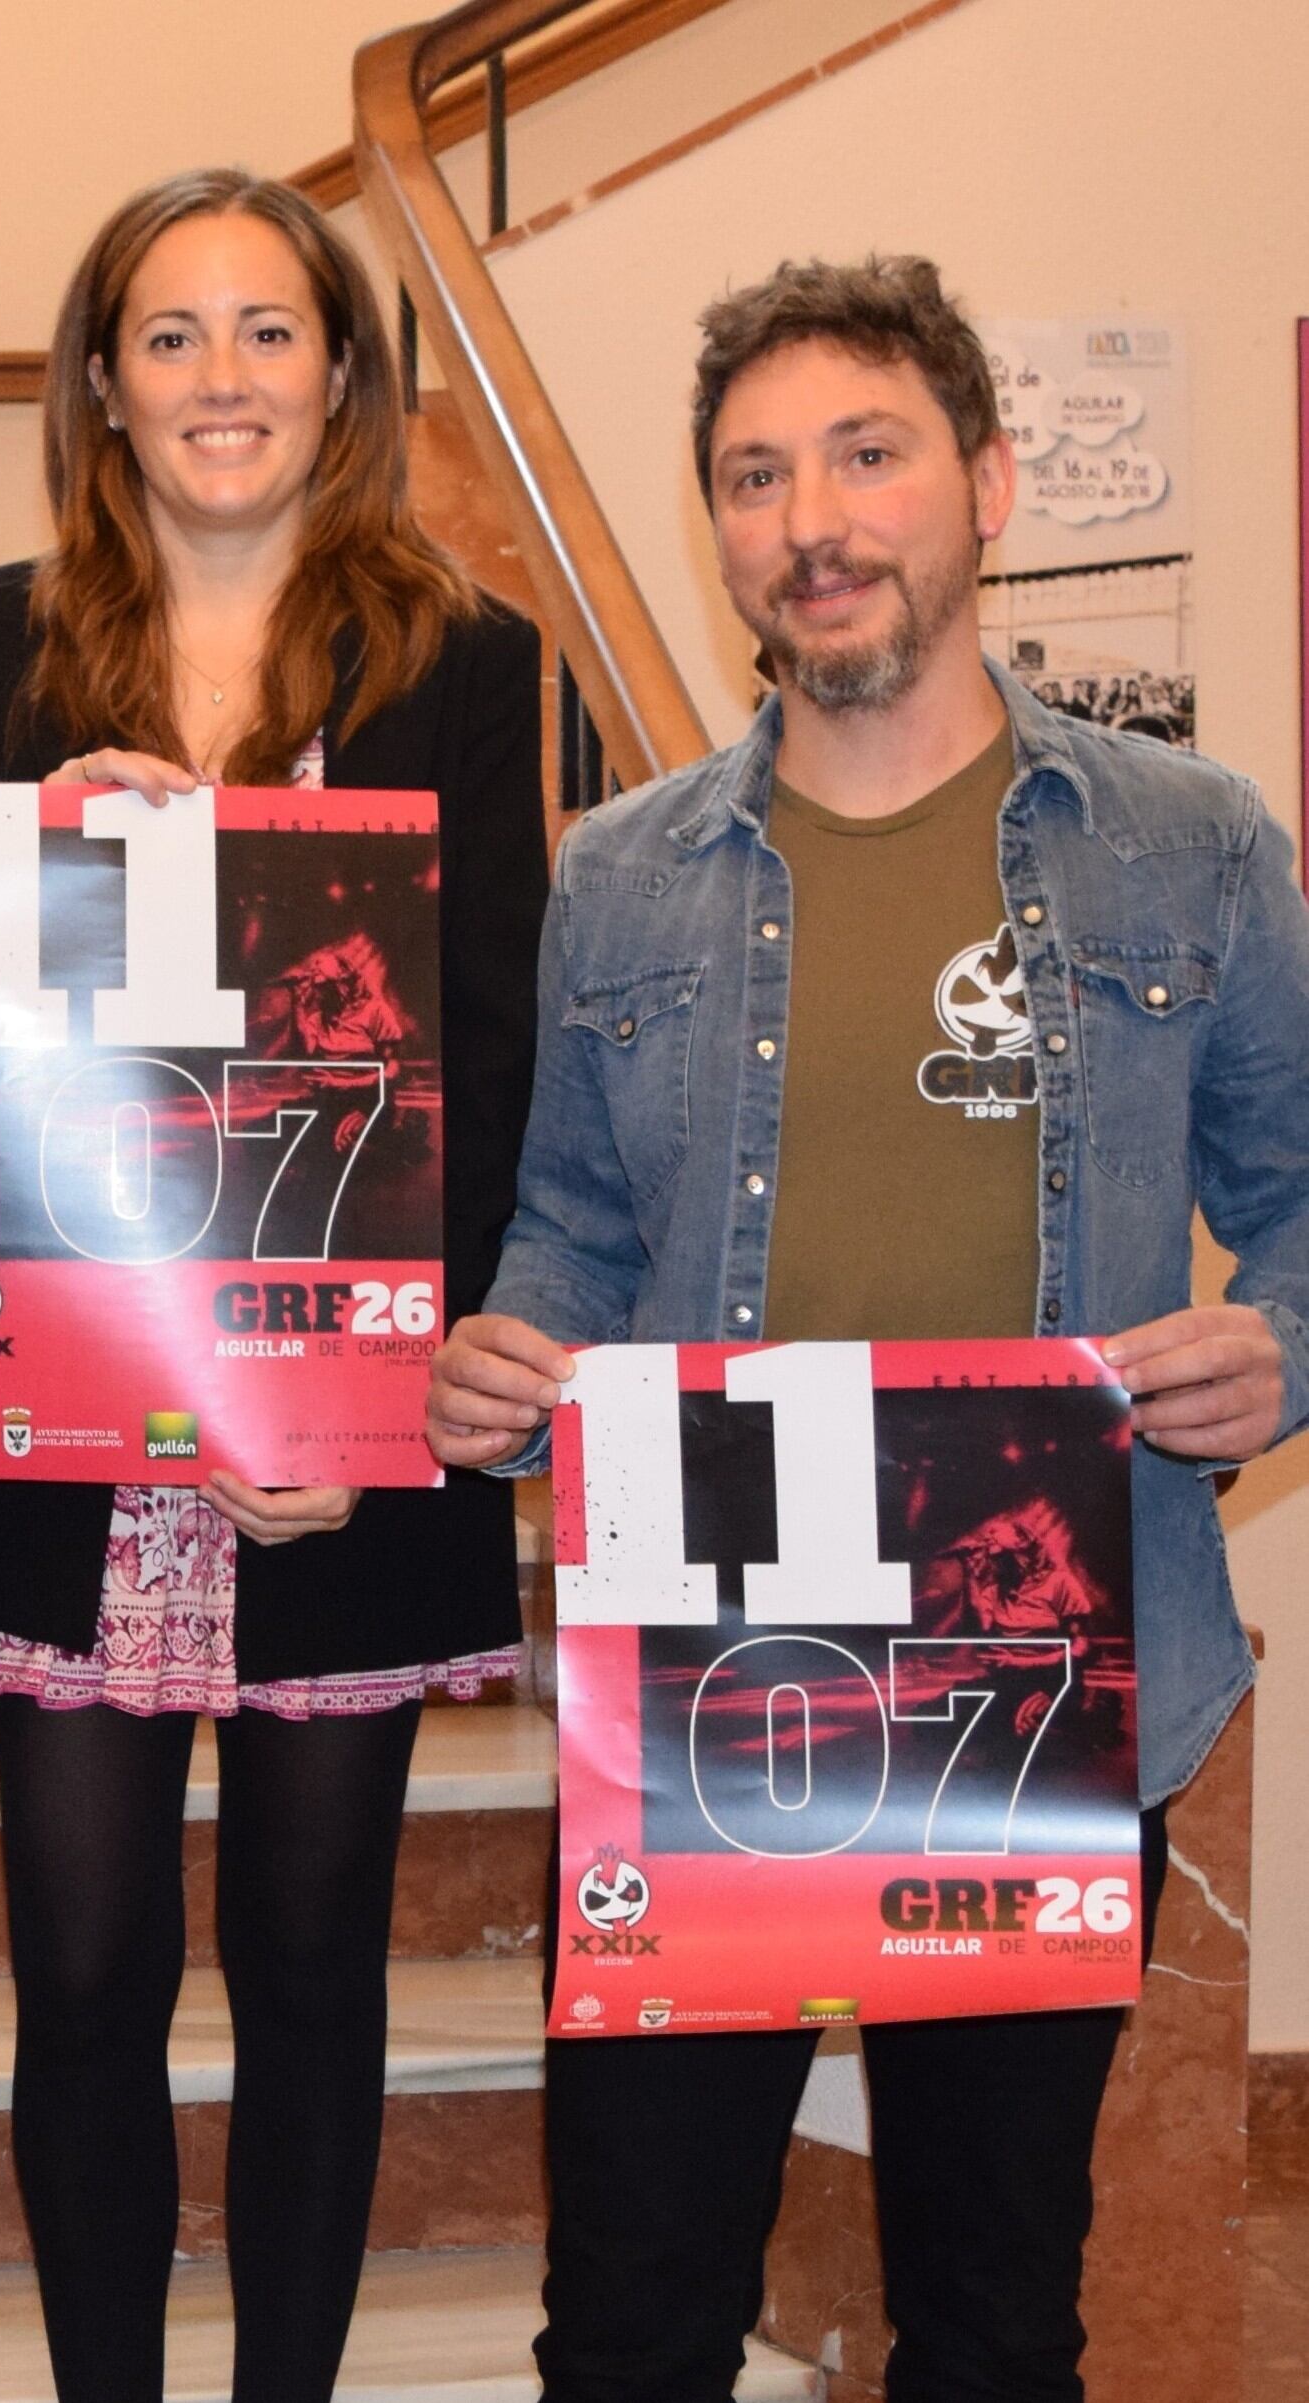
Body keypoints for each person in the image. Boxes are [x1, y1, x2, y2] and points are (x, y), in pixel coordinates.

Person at [424, 255, 1309, 2401]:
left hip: (1043, 1677)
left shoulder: (1186, 847)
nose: (808, 516)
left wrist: (1278, 1342)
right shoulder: (618, 874)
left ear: (986, 486)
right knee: (629, 2318)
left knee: (992, 2321)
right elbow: (568, 1226)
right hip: (712, 1676)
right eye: (751, 474)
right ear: (716, 524)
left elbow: (1301, 1213)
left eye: (865, 453)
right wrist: (499, 1358)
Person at [0, 170, 547, 2403]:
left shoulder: (467, 661)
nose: (221, 380)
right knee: (78, 1974)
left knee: (307, 1970)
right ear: (98, 382)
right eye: (169, 336)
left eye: (269, 332)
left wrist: (341, 1412)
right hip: (68, 1417)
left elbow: (483, 1046)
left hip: (339, 1443)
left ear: (341, 376)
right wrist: (41, 877)